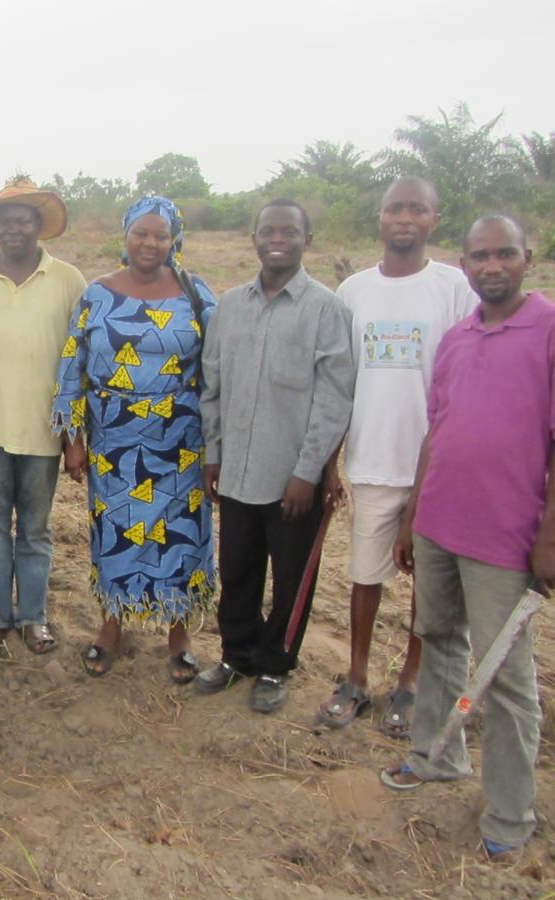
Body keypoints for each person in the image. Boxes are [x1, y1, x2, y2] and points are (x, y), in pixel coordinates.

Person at [381, 214, 553, 864]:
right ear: (466, 262)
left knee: (506, 675)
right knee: (438, 641)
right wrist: (410, 515)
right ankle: (435, 754)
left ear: (527, 257)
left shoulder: (548, 330)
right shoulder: (456, 338)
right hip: (438, 525)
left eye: (504, 253)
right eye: (479, 255)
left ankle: (510, 811)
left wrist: (548, 540)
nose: (491, 265)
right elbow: (436, 432)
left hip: (507, 537)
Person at [318, 177, 477, 736]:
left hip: (437, 468)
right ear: (380, 220)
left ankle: (409, 683)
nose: (404, 218)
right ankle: (357, 677)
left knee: (427, 585)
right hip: (371, 459)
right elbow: (337, 382)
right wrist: (329, 462)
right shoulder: (354, 291)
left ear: (435, 218)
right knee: (365, 574)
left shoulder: (456, 288)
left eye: (416, 209)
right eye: (393, 209)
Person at [197, 200, 354, 712]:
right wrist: (213, 454)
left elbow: (334, 399)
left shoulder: (327, 311)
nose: (277, 238)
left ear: (308, 238)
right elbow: (213, 388)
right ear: (255, 238)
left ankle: (275, 666)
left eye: (290, 230)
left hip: (292, 478)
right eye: (268, 230)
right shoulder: (229, 307)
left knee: (290, 579)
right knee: (237, 570)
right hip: (237, 468)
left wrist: (308, 472)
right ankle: (236, 655)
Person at [54, 197, 217, 680]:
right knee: (116, 532)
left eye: (160, 235)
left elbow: (219, 372)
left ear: (174, 240)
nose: (150, 243)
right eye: (140, 233)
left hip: (181, 440)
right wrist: (74, 438)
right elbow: (72, 365)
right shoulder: (97, 294)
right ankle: (112, 626)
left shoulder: (197, 294)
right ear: (125, 236)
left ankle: (180, 634)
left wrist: (218, 447)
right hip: (114, 441)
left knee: (184, 538)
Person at [0, 178, 87, 659]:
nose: (13, 229)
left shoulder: (68, 280)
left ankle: (32, 617)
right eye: (5, 221)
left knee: (35, 530)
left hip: (43, 432)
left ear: (38, 226)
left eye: (23, 221)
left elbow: (77, 365)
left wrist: (74, 438)